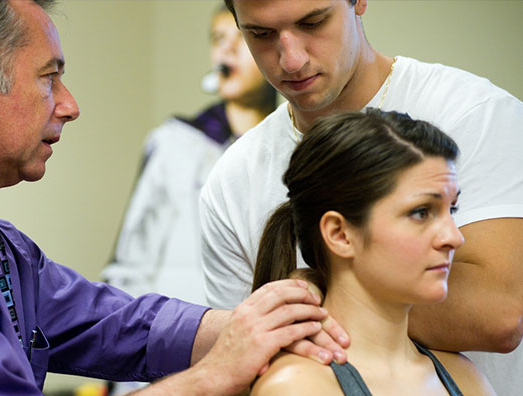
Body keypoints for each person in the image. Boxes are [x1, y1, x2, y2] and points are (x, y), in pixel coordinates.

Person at [0, 1, 350, 395]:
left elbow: (108, 322)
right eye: (49, 77)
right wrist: (210, 377)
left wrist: (253, 326)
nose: (70, 104)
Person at [199, 0, 523, 393]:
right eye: (261, 34)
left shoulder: (474, 114)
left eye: (313, 21)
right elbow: (248, 356)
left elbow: (499, 316)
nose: (292, 60)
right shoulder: (232, 181)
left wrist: (314, 296)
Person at [249, 109, 494, 395]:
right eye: (421, 212)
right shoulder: (297, 386)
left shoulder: (465, 378)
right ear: (340, 234)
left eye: (451, 209)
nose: (454, 237)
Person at [101, 5, 277, 306]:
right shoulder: (173, 143)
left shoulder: (291, 148)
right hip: (178, 336)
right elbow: (130, 261)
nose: (227, 50)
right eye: (218, 38)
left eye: (243, 37)